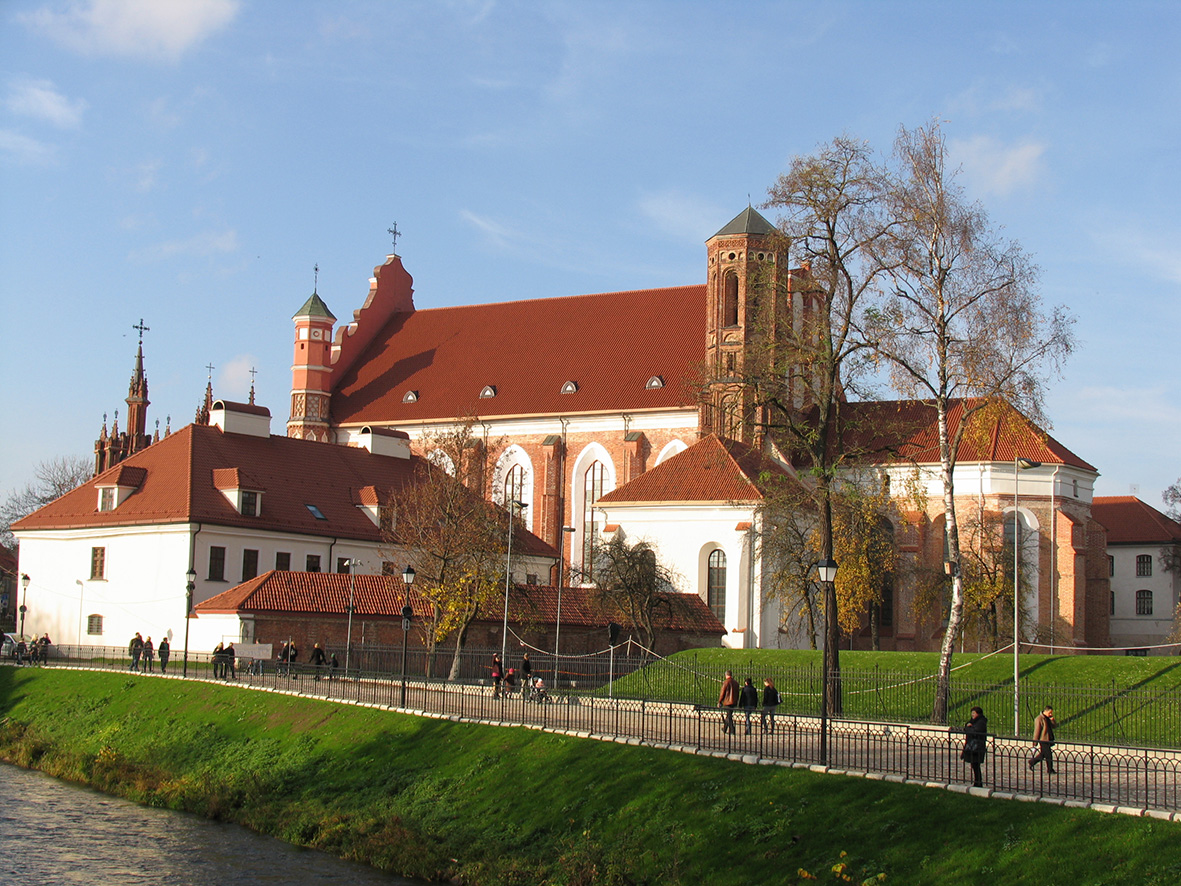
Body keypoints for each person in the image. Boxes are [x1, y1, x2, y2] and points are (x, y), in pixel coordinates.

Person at [960, 706, 988, 788]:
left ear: (978, 714)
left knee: (976, 765)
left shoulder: (981, 722)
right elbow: (967, 727)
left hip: (977, 747)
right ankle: (977, 782)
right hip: (972, 746)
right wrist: (968, 727)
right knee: (974, 765)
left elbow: (974, 731)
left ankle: (978, 782)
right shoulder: (973, 721)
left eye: (974, 713)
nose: (972, 715)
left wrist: (968, 728)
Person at [1030, 704, 1058, 774]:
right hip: (1043, 740)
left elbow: (1054, 726)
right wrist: (1035, 743)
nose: (1051, 714)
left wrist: (1053, 720)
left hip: (1049, 739)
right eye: (1050, 713)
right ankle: (1050, 769)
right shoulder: (1039, 719)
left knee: (1043, 754)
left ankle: (1032, 762)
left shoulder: (1048, 718)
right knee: (1048, 755)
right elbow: (1037, 731)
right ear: (1046, 711)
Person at [718, 670, 739, 735]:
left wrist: (719, 701)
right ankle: (725, 728)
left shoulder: (726, 682)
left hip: (727, 701)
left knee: (729, 716)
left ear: (726, 675)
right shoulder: (736, 683)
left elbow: (722, 693)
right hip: (734, 701)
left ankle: (732, 729)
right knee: (729, 715)